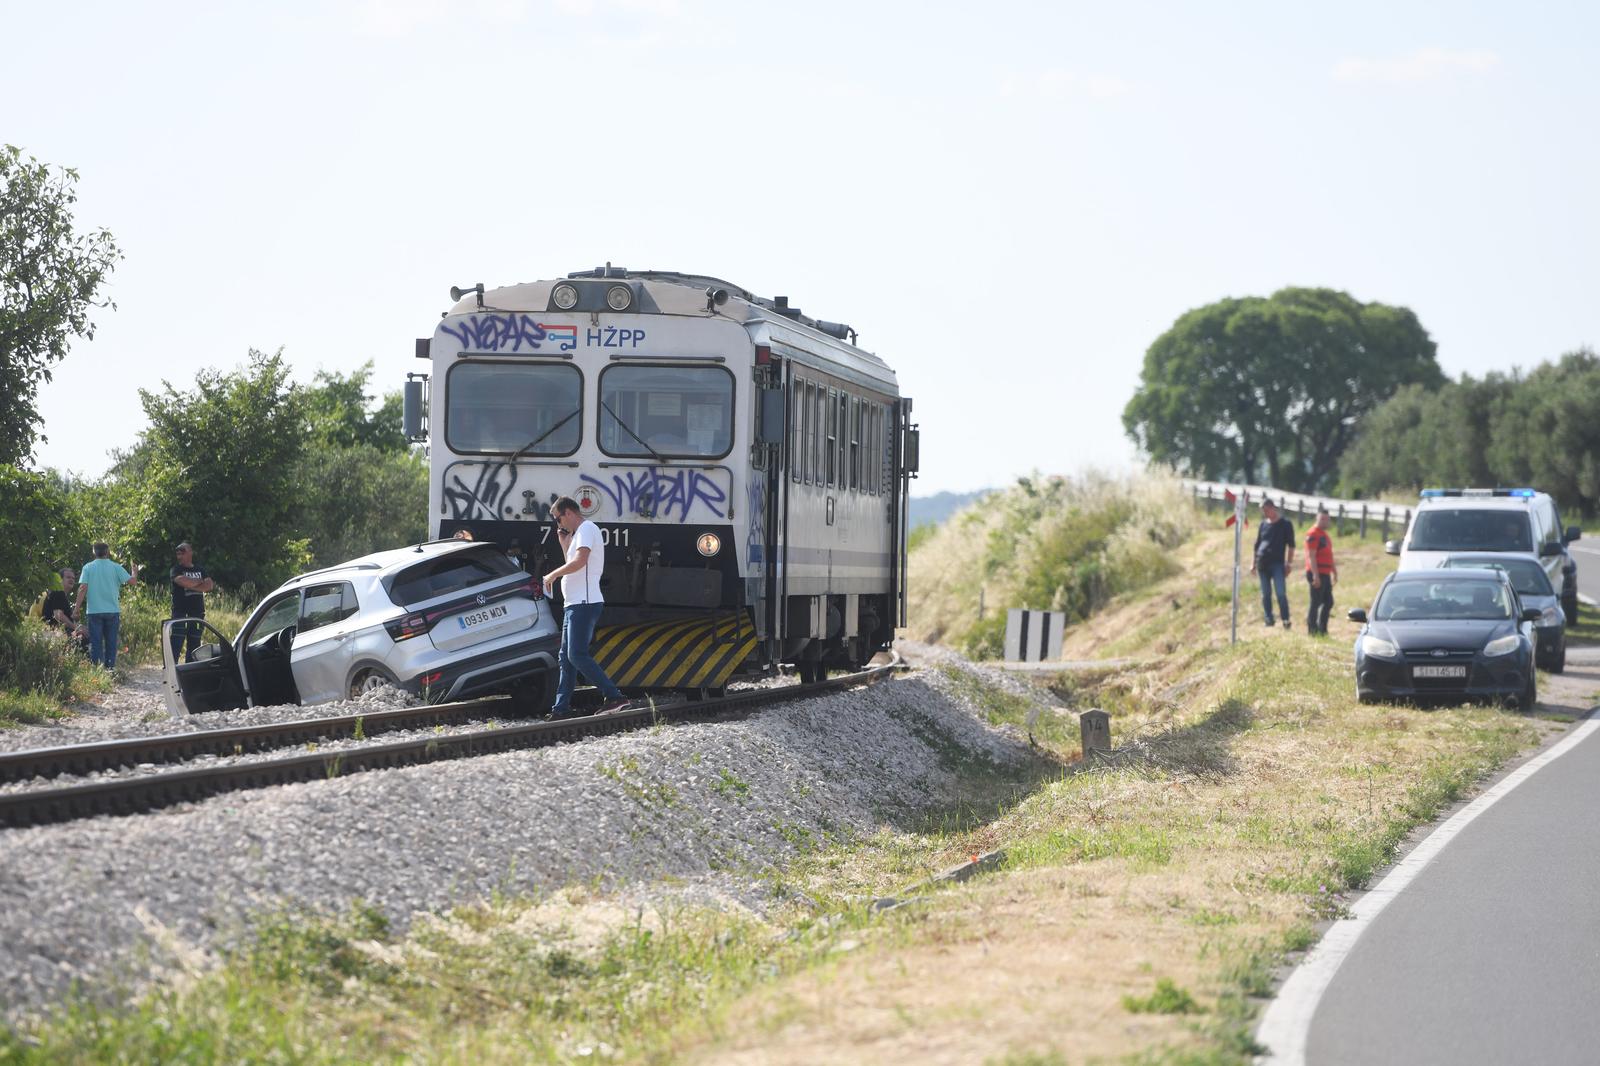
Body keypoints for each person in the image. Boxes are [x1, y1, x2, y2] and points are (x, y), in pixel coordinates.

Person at [541, 496, 629, 717]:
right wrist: (564, 545)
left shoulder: (588, 528)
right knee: (566, 658)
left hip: (585, 603)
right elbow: (575, 562)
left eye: (558, 519)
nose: (558, 525)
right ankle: (560, 708)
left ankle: (614, 696)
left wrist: (553, 574)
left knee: (577, 655)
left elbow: (580, 562)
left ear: (568, 513)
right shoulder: (578, 534)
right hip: (574, 604)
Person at [75, 542, 138, 668]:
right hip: (112, 610)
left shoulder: (88, 567)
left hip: (94, 611)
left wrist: (76, 608)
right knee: (111, 642)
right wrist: (134, 572)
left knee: (96, 643)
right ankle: (110, 669)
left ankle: (97, 671)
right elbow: (133, 582)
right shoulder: (116, 567)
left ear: (94, 552)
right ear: (107, 552)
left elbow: (83, 588)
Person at [1250, 500, 1296, 628]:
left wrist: (1289, 563)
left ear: (1272, 508)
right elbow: (1257, 544)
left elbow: (1291, 546)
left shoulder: (1285, 524)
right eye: (1263, 510)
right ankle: (1269, 619)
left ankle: (1285, 619)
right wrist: (1253, 563)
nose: (1264, 513)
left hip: (1277, 564)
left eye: (1265, 510)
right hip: (1262, 563)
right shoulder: (1263, 525)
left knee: (1280, 593)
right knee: (1265, 594)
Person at [170, 542, 215, 664]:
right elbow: (182, 581)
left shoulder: (200, 569)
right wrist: (200, 583)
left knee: (194, 645)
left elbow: (209, 585)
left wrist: (192, 584)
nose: (180, 556)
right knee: (176, 642)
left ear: (190, 552)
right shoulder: (176, 569)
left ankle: (190, 670)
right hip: (180, 613)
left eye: (182, 553)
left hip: (197, 613)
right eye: (178, 554)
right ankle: (171, 670)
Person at [1304, 508, 1338, 636]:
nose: (1325, 522)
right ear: (1317, 519)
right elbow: (1311, 556)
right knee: (1316, 602)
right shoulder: (1313, 534)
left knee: (1328, 602)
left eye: (1327, 519)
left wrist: (1334, 571)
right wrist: (1315, 575)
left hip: (1325, 573)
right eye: (1322, 519)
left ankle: (1322, 629)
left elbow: (1329, 555)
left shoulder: (1325, 535)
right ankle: (1312, 630)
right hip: (1316, 572)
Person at [41, 568, 89, 650]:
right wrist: (76, 628)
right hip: (54, 633)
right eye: (68, 577)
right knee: (88, 640)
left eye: (73, 578)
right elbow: (58, 615)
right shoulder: (58, 592)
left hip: (59, 632)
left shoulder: (61, 595)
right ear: (60, 579)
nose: (71, 580)